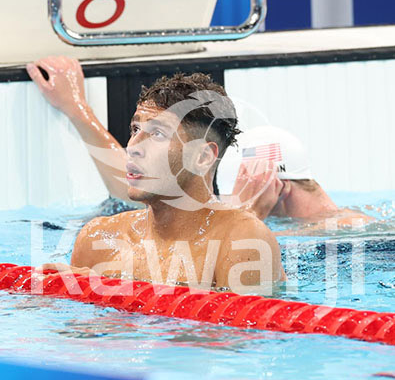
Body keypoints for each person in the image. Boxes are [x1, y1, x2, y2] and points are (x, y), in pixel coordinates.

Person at [26, 56, 285, 292]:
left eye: (158, 134)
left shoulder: (243, 240)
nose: (133, 147)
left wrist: (108, 290)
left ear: (202, 157)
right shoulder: (98, 239)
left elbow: (240, 341)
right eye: (135, 129)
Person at [227, 126, 373, 232]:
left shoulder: (348, 226)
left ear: (277, 188)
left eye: (245, 194)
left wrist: (248, 214)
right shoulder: (319, 227)